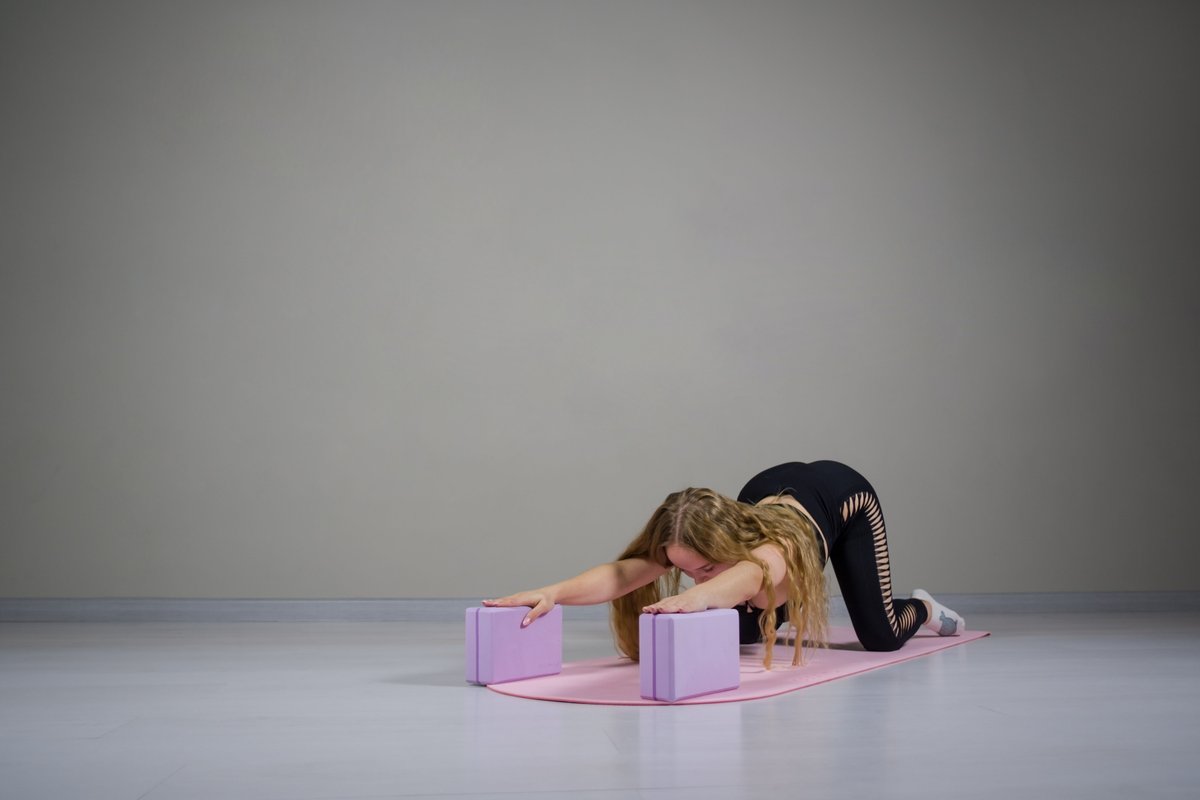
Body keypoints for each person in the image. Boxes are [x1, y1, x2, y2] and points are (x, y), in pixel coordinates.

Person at [484, 460, 965, 670]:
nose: (695, 578)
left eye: (707, 570)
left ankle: (922, 607)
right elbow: (623, 574)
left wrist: (695, 599)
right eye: (687, 571)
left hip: (845, 502)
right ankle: (781, 607)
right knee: (742, 629)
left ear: (731, 547)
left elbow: (754, 573)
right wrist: (553, 593)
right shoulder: (707, 543)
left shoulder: (775, 547)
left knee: (880, 636)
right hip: (770, 486)